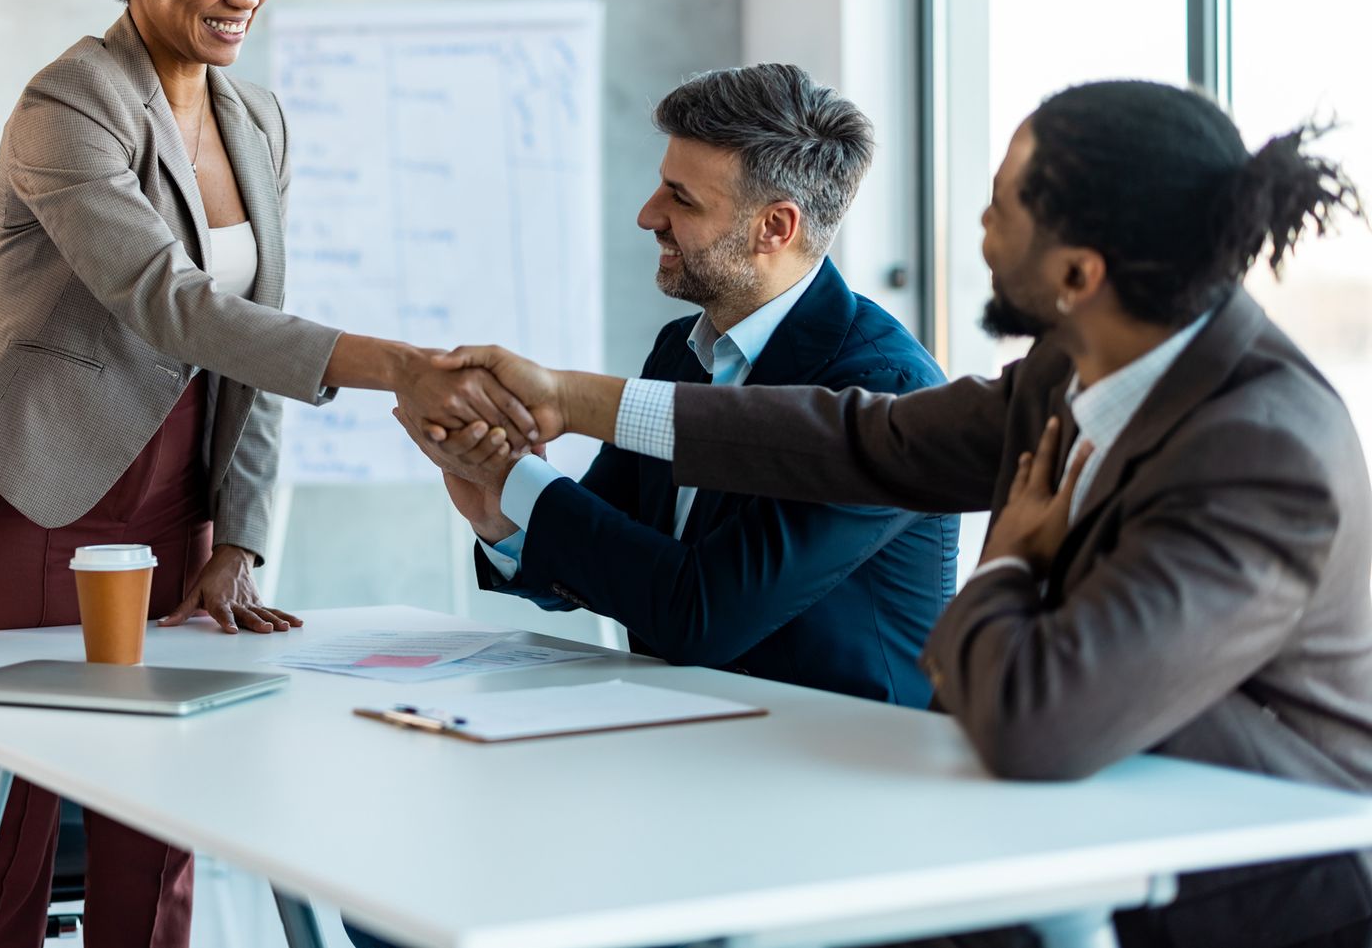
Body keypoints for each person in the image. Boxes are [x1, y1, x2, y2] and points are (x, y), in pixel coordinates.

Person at [433, 80, 1372, 948]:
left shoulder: (1264, 452)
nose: (980, 223)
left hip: (1257, 894)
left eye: (1003, 204)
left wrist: (1006, 561)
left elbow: (1032, 717)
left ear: (1080, 273)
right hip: (1076, 831)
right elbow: (860, 441)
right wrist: (568, 396)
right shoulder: (1073, 366)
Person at [0, 0, 535, 948]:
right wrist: (396, 364)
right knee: (17, 798)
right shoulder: (70, 104)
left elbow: (253, 347)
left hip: (174, 496)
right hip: (24, 488)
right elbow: (170, 305)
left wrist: (242, 533)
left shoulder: (257, 117)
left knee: (166, 804)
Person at [400, 64, 956, 702]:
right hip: (692, 743)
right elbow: (613, 556)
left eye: (680, 197)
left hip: (845, 772)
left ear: (775, 227)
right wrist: (502, 517)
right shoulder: (681, 349)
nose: (647, 214)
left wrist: (518, 482)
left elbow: (702, 617)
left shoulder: (881, 392)